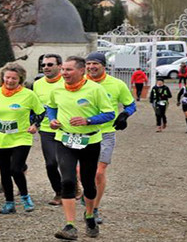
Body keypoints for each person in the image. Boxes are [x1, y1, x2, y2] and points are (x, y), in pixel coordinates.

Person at [47, 56, 115, 240]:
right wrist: (52, 119)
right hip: (64, 140)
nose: (64, 73)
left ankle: (90, 215)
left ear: (81, 71)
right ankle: (70, 226)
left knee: (88, 183)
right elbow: (51, 107)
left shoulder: (95, 89)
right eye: (63, 70)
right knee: (67, 181)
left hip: (89, 141)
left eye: (69, 70)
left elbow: (110, 114)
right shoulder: (57, 88)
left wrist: (88, 120)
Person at [0, 62, 45, 214]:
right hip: (1, 138)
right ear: (3, 77)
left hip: (21, 138)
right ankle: (9, 203)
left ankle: (25, 197)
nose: (10, 81)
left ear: (20, 79)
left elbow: (41, 112)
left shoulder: (28, 95)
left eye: (14, 79)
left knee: (16, 169)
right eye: (7, 77)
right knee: (4, 171)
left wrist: (35, 125)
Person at [84, 52, 136, 224]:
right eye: (89, 63)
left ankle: (94, 209)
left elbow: (131, 104)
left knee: (99, 172)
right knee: (81, 173)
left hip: (106, 133)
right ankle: (87, 195)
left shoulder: (116, 84)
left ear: (103, 66)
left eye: (95, 64)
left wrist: (124, 115)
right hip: (82, 133)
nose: (91, 67)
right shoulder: (79, 82)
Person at [31, 54, 66, 205]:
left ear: (60, 66)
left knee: (66, 162)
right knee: (51, 163)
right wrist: (33, 123)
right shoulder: (37, 84)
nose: (46, 67)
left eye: (50, 64)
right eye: (44, 65)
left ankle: (72, 184)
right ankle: (59, 192)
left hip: (67, 129)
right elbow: (35, 106)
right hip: (46, 129)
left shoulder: (68, 81)